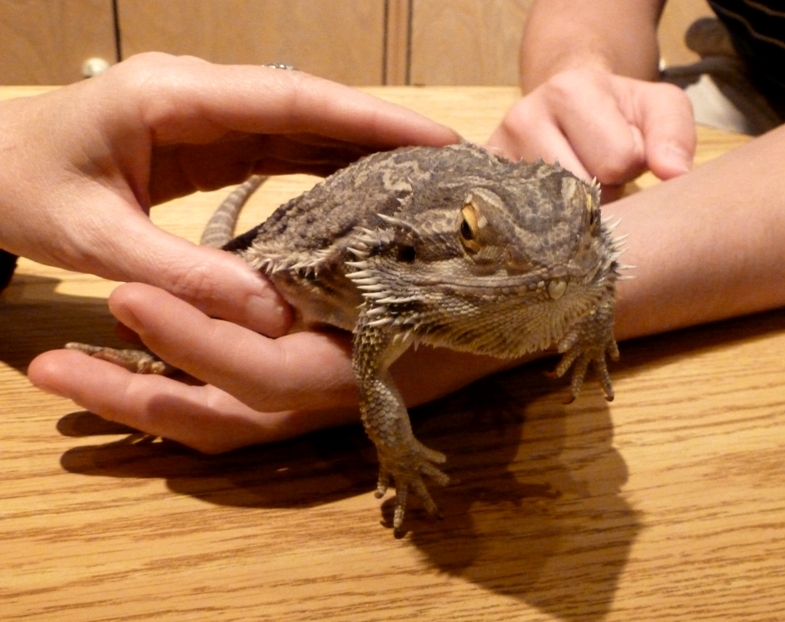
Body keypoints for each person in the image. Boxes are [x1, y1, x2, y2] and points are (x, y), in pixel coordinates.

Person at [23, 2, 785, 453]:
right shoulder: (392, 277)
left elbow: (595, 268)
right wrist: (581, 65)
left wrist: (582, 328)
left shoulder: (575, 260)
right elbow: (373, 376)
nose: (574, 269)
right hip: (318, 243)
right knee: (208, 319)